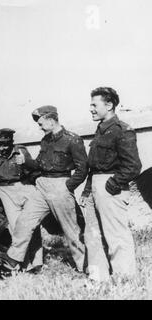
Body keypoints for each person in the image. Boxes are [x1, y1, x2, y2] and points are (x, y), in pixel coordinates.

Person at [9, 105, 87, 272]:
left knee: (71, 231)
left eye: (41, 122)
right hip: (42, 186)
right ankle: (13, 261)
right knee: (24, 221)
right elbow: (39, 164)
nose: (39, 126)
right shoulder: (45, 140)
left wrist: (67, 187)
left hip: (60, 185)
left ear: (51, 121)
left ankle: (84, 266)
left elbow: (82, 169)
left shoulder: (72, 139)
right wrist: (25, 162)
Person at [80, 87, 142, 279]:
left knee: (116, 234)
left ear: (109, 105)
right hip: (94, 186)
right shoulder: (100, 130)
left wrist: (112, 185)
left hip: (110, 186)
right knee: (92, 235)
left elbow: (133, 166)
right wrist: (87, 191)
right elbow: (94, 166)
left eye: (94, 104)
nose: (90, 108)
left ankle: (124, 278)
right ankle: (99, 277)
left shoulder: (122, 130)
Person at [0, 128, 43, 271]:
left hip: (25, 187)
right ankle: (25, 264)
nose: (4, 148)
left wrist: (26, 162)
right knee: (16, 227)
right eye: (1, 144)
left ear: (12, 142)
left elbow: (35, 169)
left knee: (32, 224)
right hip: (5, 190)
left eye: (6, 144)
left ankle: (37, 263)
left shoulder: (21, 150)